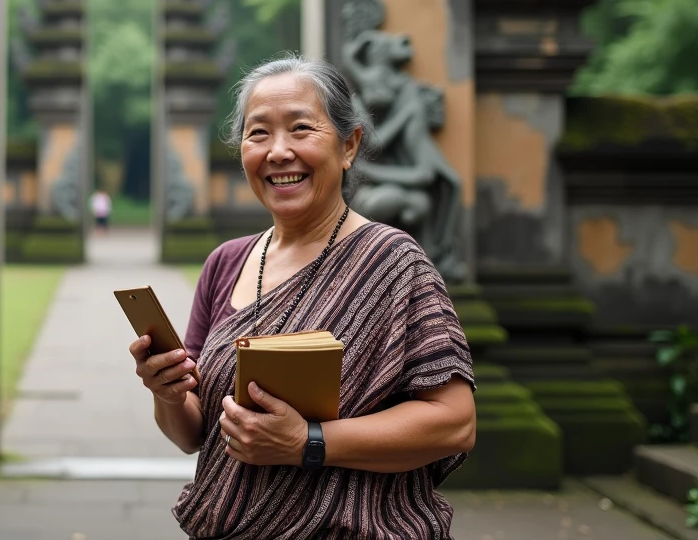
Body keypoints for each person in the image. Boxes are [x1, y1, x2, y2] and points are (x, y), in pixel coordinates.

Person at [128, 55, 476, 540]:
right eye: (258, 133)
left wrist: (308, 443)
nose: (278, 152)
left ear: (349, 145)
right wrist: (166, 393)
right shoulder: (225, 263)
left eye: (300, 128)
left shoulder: (394, 263)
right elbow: (193, 433)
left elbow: (454, 423)